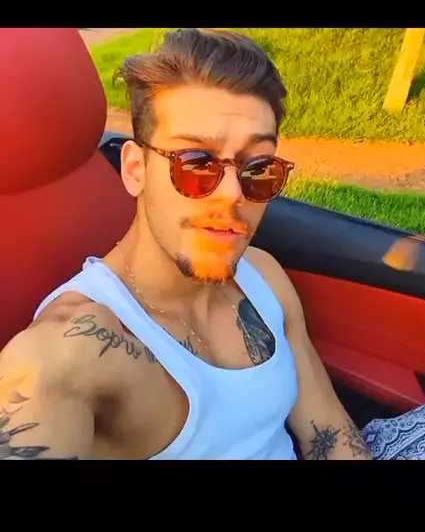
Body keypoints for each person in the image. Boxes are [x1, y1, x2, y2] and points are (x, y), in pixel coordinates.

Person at [0, 28, 373, 460]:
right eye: (196, 162)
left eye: (258, 168)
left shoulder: (263, 276)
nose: (233, 194)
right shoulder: (75, 348)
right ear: (135, 170)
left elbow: (329, 433)